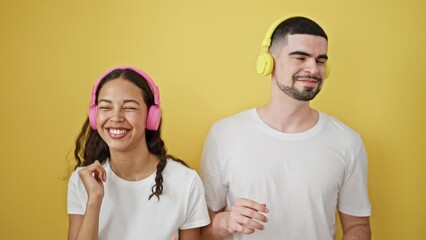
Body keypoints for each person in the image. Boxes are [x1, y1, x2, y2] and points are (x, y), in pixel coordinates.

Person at [200, 16, 372, 240]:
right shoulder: (223, 135)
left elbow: (357, 226)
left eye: (320, 60)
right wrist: (226, 221)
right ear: (268, 62)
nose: (313, 68)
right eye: (300, 57)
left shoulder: (348, 141)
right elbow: (200, 231)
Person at [67, 66, 210, 240]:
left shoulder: (186, 182)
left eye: (129, 108)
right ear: (94, 116)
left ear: (151, 117)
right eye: (106, 107)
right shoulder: (82, 180)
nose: (116, 117)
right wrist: (94, 200)